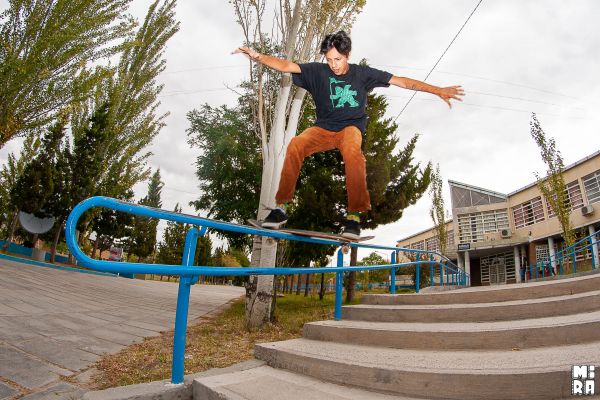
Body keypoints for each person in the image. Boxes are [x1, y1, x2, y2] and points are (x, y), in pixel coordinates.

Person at [234, 31, 464, 239]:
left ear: (348, 54)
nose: (333, 65)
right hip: (323, 129)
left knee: (353, 152)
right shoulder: (317, 71)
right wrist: (258, 56)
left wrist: (437, 90)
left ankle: (354, 217)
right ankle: (280, 208)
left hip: (350, 129)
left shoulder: (363, 74)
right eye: (329, 59)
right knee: (296, 144)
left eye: (338, 59)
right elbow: (286, 66)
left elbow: (402, 82)